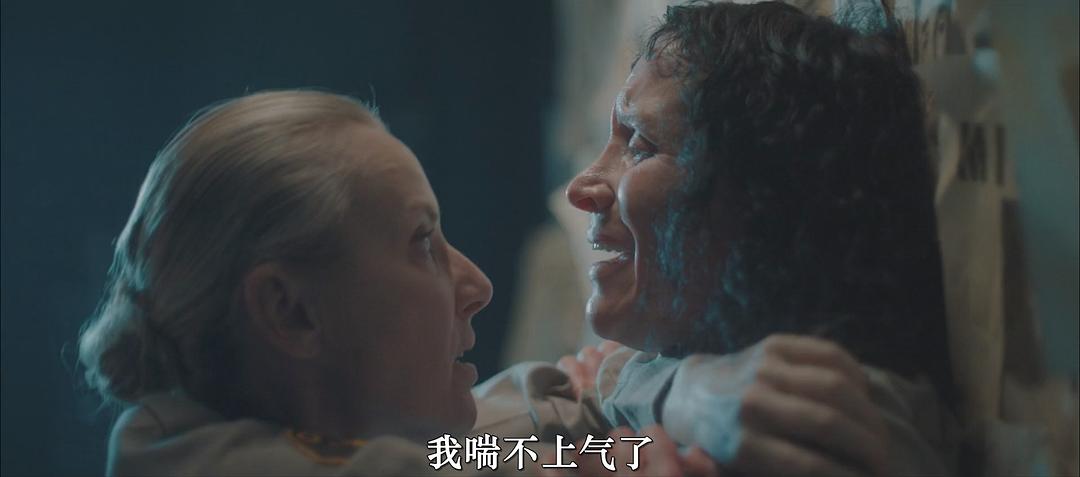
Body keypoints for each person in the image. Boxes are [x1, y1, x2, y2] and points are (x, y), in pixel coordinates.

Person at [77, 90, 705, 476]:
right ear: (291, 312)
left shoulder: (396, 438)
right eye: (422, 243)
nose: (478, 286)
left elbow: (503, 450)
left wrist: (618, 420)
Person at [476, 2, 958, 475]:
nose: (581, 188)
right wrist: (665, 390)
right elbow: (450, 446)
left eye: (640, 146)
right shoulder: (666, 396)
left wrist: (647, 388)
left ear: (768, 201)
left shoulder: (820, 424)